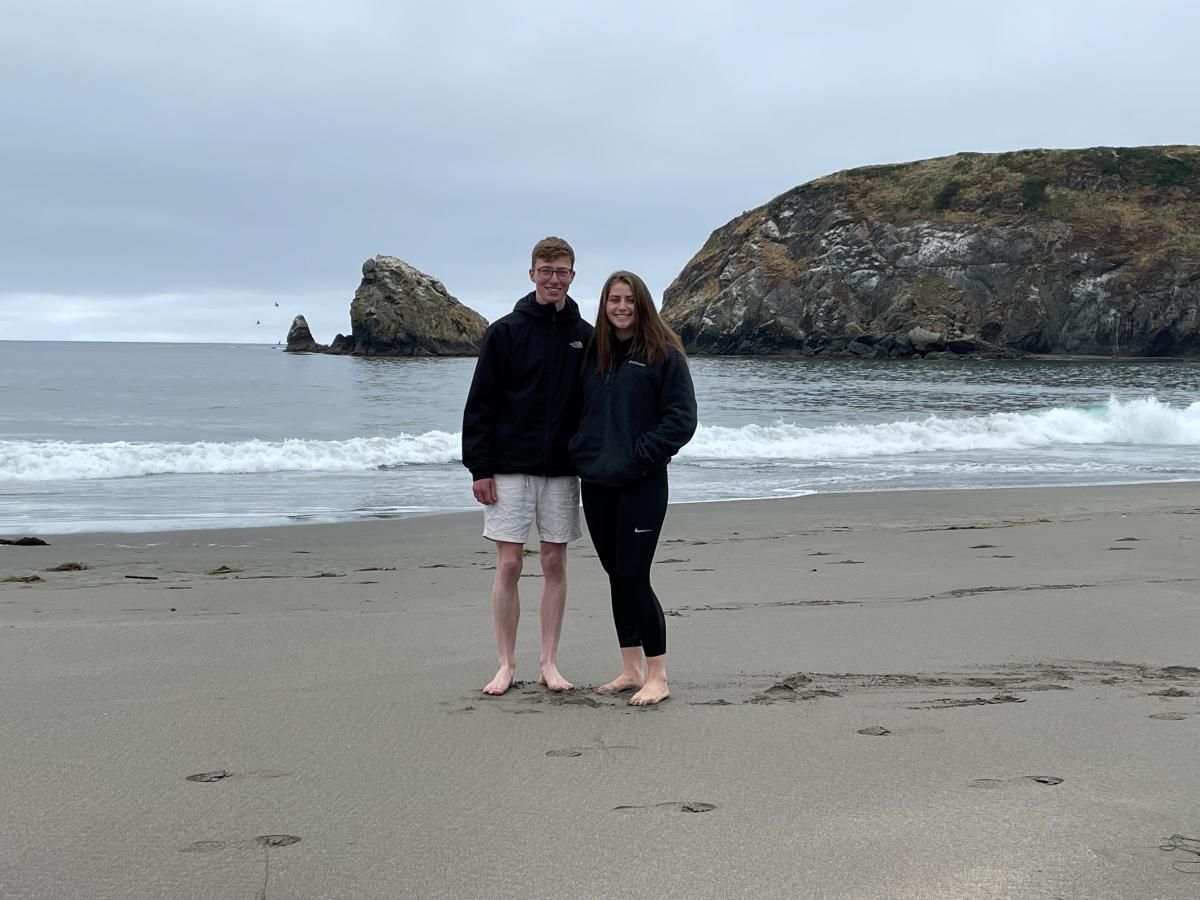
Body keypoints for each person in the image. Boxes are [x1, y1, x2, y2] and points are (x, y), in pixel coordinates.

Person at [461, 237, 593, 696]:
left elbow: (595, 404)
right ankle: (505, 664)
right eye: (546, 270)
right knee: (511, 563)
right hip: (508, 467)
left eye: (562, 272)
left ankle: (549, 663)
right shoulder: (505, 332)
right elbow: (480, 404)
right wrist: (479, 467)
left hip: (561, 468)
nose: (554, 279)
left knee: (555, 561)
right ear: (532, 273)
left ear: (573, 276)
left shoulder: (586, 335)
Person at [569, 271, 697, 706]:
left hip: (642, 484)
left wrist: (639, 455)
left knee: (634, 576)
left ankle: (658, 675)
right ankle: (630, 668)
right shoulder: (594, 355)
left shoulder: (664, 354)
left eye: (629, 300)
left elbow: (681, 421)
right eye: (613, 300)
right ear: (603, 306)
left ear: (642, 305)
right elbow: (577, 412)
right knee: (615, 576)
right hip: (598, 483)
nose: (621, 307)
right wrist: (582, 452)